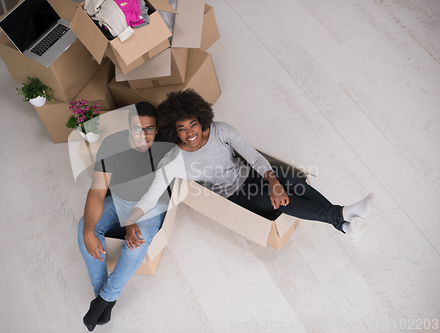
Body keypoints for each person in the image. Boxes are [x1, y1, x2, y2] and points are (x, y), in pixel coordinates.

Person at [124, 89, 374, 244]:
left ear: (200, 120)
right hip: (235, 197)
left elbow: (254, 158)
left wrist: (273, 181)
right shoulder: (173, 161)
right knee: (283, 200)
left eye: (193, 124)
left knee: (290, 182)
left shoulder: (221, 130)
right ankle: (341, 215)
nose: (190, 132)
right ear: (173, 130)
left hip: (251, 176)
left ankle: (343, 224)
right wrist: (131, 220)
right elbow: (151, 195)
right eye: (182, 128)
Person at [77, 102, 174, 331]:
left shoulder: (164, 146)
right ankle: (101, 294)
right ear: (128, 128)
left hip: (150, 205)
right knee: (85, 227)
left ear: (157, 129)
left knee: (137, 243)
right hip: (119, 199)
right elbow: (98, 192)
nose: (143, 135)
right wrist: (88, 231)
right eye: (137, 129)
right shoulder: (112, 145)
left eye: (149, 129)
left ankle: (104, 300)